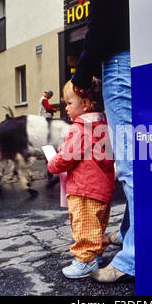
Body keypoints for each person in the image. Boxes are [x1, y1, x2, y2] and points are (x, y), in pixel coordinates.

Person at [71, 0, 134, 283]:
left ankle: (133, 258)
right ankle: (126, 234)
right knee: (139, 157)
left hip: (120, 61)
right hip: (134, 56)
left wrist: (82, 72)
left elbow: (104, 18)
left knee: (131, 164)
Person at [48, 78, 115, 279]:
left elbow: (66, 158)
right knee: (97, 223)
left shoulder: (80, 129)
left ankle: (85, 260)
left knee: (84, 225)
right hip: (102, 187)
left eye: (69, 103)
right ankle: (97, 251)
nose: (66, 108)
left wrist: (52, 163)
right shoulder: (104, 124)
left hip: (84, 188)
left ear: (85, 104)